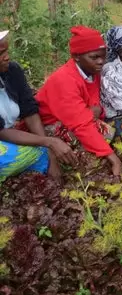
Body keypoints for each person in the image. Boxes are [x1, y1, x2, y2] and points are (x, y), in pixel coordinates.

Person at [36, 26, 122, 176]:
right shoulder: (64, 80)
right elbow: (81, 124)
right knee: (94, 142)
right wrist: (114, 159)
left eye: (103, 56)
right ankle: (69, 167)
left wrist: (93, 112)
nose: (101, 62)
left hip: (72, 118)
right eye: (95, 57)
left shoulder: (91, 71)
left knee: (105, 131)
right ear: (76, 56)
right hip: (48, 125)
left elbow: (93, 107)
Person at [0, 30, 76, 182]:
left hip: (9, 134)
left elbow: (30, 111)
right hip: (3, 136)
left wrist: (49, 149)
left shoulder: (12, 71)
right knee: (31, 154)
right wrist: (49, 143)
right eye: (1, 53)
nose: (7, 57)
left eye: (6, 51)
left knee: (71, 134)